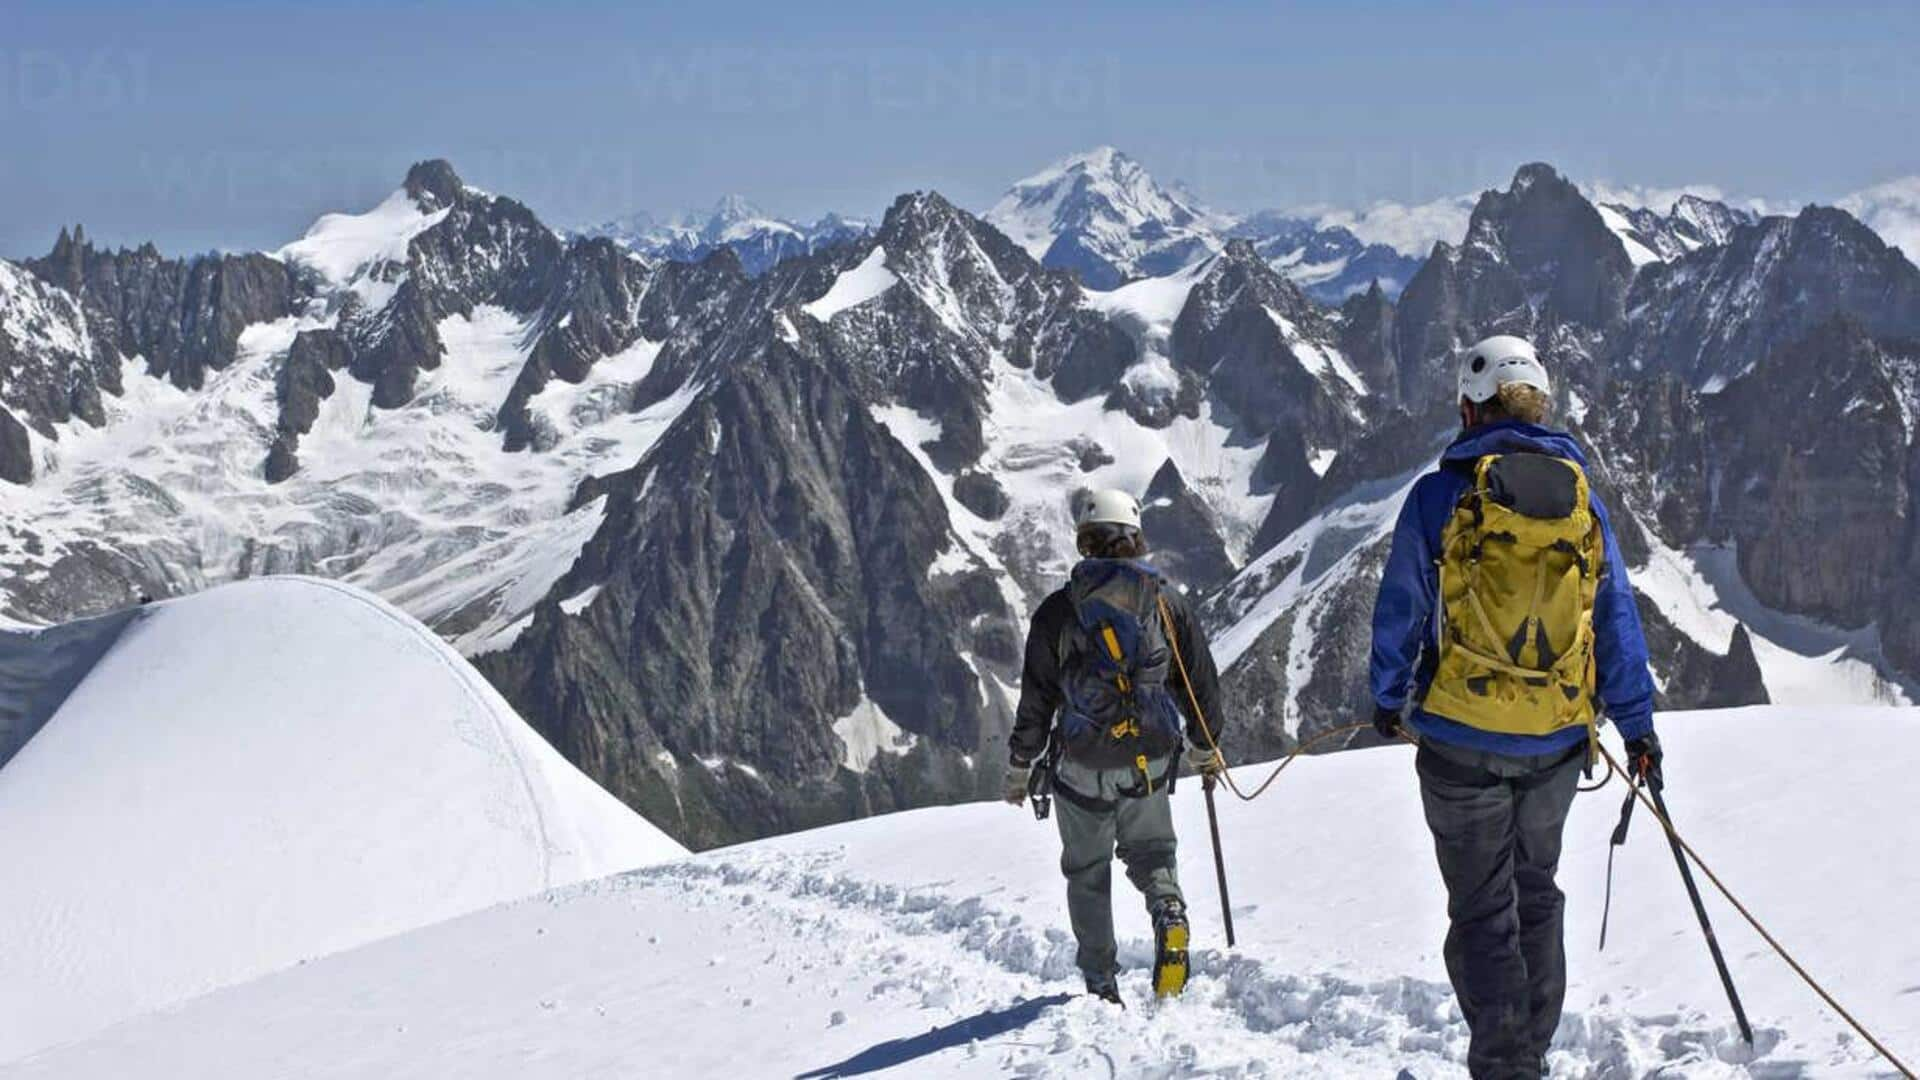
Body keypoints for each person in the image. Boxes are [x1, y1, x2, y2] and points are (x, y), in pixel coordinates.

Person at [1369, 335, 1663, 1079]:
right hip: (1557, 744)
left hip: (1458, 741)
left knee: (1480, 910)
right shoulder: (1582, 501)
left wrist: (1386, 699)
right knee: (1536, 892)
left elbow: (1402, 607)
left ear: (1470, 408)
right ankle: (1528, 1048)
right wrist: (1638, 729)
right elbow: (1615, 617)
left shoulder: (1440, 496)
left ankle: (1507, 1063)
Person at [1004, 488, 1226, 1005]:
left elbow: (1036, 702)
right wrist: (1205, 748)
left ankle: (1102, 981)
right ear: (1136, 537)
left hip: (1081, 765)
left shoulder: (1058, 613)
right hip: (1149, 758)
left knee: (1088, 871)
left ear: (1085, 542)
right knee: (1151, 851)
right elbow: (1198, 684)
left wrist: (1020, 767)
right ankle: (1168, 910)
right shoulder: (1166, 604)